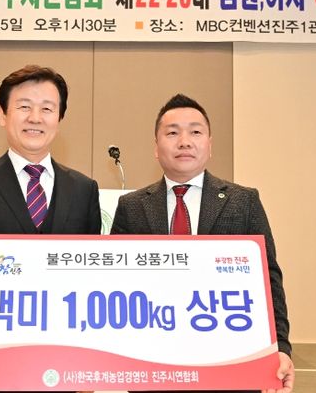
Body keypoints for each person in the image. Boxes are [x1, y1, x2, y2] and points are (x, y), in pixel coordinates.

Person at [111, 94, 294, 393]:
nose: (184, 142)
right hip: (153, 363)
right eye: (172, 133)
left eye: (195, 132)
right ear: (156, 148)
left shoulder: (244, 201)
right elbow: (115, 283)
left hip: (231, 361)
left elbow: (268, 278)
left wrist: (281, 347)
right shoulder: (132, 207)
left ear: (210, 145)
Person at [0, 65, 101, 392]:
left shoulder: (84, 189)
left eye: (47, 109)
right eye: (24, 106)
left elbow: (92, 275)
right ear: (3, 114)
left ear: (59, 118)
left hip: (66, 354)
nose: (35, 117)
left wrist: (93, 356)